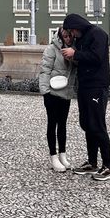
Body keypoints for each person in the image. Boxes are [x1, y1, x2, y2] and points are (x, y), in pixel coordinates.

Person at [61, 13, 110, 181]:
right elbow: (84, 58)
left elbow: (97, 57)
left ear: (77, 27)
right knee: (87, 123)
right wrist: (73, 57)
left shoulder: (98, 34)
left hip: (97, 86)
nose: (72, 35)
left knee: (98, 125)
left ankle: (107, 166)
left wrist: (75, 53)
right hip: (84, 85)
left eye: (72, 32)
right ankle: (92, 162)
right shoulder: (82, 37)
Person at [38, 27, 77, 172]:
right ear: (60, 36)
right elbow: (45, 70)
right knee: (52, 124)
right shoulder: (51, 49)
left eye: (69, 36)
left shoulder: (73, 49)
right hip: (52, 93)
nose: (68, 39)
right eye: (65, 36)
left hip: (65, 93)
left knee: (63, 125)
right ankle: (53, 156)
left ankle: (63, 155)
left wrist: (73, 58)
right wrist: (45, 92)